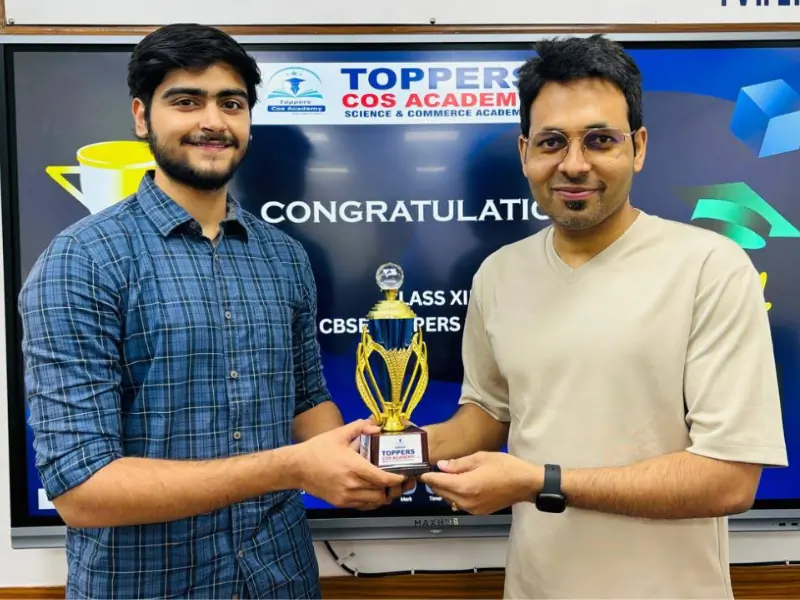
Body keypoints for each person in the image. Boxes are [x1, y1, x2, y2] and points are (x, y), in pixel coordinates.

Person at [18, 23, 406, 599]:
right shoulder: (81, 261)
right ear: (142, 117)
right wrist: (295, 467)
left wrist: (377, 452)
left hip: (281, 579)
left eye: (232, 103)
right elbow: (82, 490)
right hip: (146, 586)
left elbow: (306, 400)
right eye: (186, 101)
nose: (213, 121)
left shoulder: (285, 255)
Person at [419, 35, 788, 599]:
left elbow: (730, 480)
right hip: (535, 587)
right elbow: (489, 413)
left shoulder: (710, 266)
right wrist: (401, 450)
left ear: (637, 147)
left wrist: (541, 482)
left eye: (599, 140)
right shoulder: (498, 273)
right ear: (525, 154)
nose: (573, 164)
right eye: (551, 142)